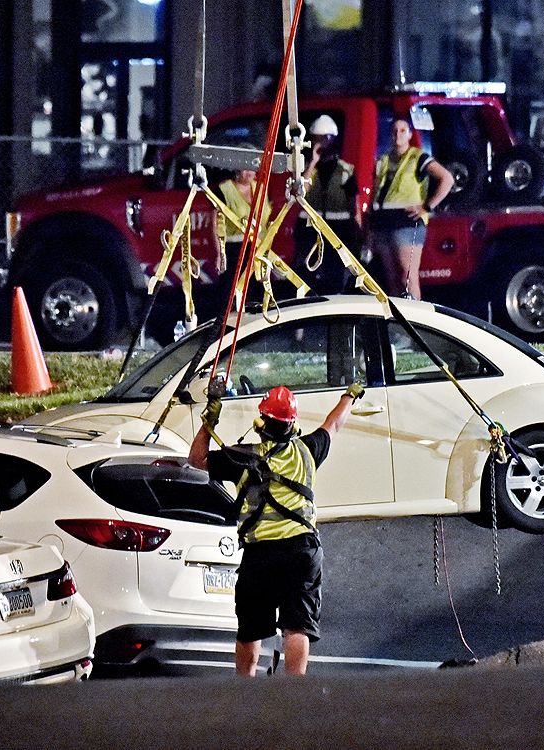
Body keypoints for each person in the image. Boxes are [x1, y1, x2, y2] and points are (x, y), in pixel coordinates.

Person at [188, 380, 364, 676]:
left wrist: (211, 418)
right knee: (297, 627)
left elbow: (197, 459)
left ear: (260, 421)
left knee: (250, 630)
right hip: (302, 550)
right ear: (292, 424)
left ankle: (245, 691)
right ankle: (294, 695)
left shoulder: (242, 457)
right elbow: (333, 424)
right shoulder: (308, 450)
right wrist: (349, 395)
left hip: (260, 555)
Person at [370, 118, 454, 300]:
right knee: (390, 278)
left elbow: (447, 179)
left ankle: (414, 319)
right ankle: (396, 320)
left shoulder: (418, 157)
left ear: (409, 134)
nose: (397, 134)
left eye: (402, 130)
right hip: (383, 222)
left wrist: (427, 206)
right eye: (394, 131)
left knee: (407, 276)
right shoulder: (383, 159)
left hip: (407, 221)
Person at [296, 114, 361, 293]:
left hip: (338, 230)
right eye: (318, 139)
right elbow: (300, 192)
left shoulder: (346, 169)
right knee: (308, 275)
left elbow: (354, 204)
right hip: (310, 230)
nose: (322, 144)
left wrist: (358, 234)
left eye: (326, 139)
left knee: (336, 277)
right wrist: (313, 163)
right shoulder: (306, 169)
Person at [216, 161, 272, 310]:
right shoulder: (225, 189)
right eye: (245, 168)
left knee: (252, 292)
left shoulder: (260, 188)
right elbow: (216, 225)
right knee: (230, 293)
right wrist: (219, 254)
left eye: (253, 169)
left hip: (256, 248)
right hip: (234, 249)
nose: (249, 173)